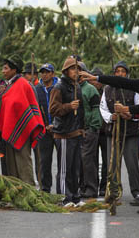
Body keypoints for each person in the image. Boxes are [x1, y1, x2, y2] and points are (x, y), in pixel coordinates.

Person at [80, 61, 139, 206]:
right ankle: (113, 191)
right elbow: (103, 108)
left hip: (130, 132)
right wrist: (95, 78)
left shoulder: (135, 90)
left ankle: (137, 192)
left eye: (123, 71)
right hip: (113, 132)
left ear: (127, 73)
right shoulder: (109, 89)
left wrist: (128, 112)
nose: (120, 73)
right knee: (112, 164)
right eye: (117, 71)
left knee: (132, 164)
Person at [0, 55, 45, 186]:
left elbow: (29, 106)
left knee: (23, 162)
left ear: (14, 70)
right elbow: (4, 106)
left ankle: (29, 191)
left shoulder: (24, 85)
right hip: (8, 131)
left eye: (6, 68)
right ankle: (16, 192)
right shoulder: (6, 86)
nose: (3, 71)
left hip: (23, 130)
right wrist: (0, 95)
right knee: (11, 165)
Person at [49, 56, 85, 207]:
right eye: (72, 68)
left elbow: (82, 110)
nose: (76, 71)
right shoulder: (59, 87)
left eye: (78, 69)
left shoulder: (77, 86)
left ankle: (75, 197)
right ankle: (64, 197)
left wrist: (82, 129)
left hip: (75, 132)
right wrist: (69, 106)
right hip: (63, 133)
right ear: (66, 71)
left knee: (74, 168)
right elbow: (53, 109)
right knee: (64, 169)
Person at [77, 62, 102, 198]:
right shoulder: (73, 89)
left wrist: (92, 128)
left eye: (80, 72)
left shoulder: (91, 90)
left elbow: (95, 111)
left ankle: (92, 189)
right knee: (79, 160)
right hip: (77, 130)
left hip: (90, 129)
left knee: (87, 159)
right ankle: (82, 187)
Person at [35, 63, 58, 193]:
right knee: (44, 161)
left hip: (59, 129)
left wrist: (55, 124)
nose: (44, 74)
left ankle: (63, 189)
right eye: (42, 72)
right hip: (44, 130)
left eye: (47, 72)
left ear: (52, 74)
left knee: (63, 161)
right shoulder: (37, 89)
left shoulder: (59, 87)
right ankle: (45, 189)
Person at [90, 67, 108, 197]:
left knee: (107, 161)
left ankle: (104, 186)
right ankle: (93, 185)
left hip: (106, 131)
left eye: (98, 79)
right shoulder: (89, 92)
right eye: (93, 78)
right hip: (93, 130)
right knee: (92, 160)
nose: (96, 82)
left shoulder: (107, 93)